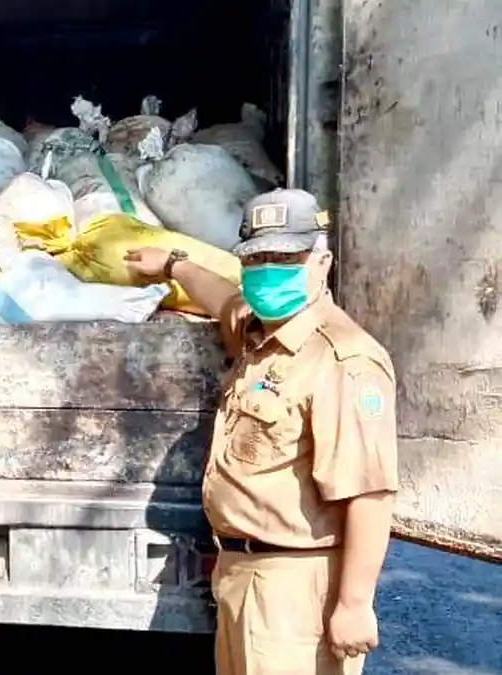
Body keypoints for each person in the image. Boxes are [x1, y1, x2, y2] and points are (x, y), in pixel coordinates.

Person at [124, 189, 398, 675]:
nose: (270, 270)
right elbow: (223, 299)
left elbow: (370, 495)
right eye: (258, 258)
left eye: (286, 257)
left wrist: (354, 604)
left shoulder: (343, 360)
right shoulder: (259, 333)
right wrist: (173, 265)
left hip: (294, 589)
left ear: (322, 261)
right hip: (238, 576)